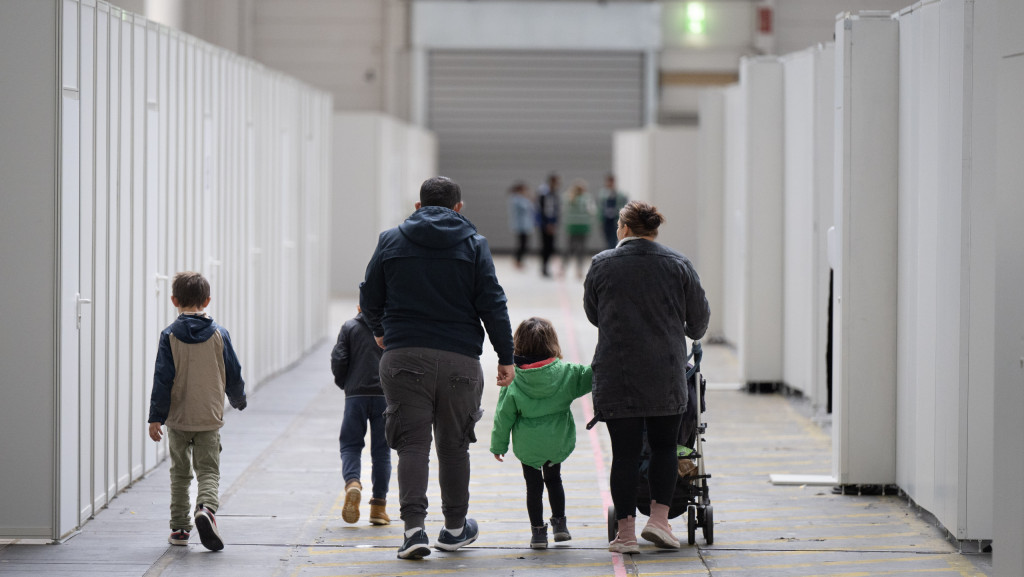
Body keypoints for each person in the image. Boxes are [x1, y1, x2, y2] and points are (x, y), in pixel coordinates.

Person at [360, 175, 516, 560]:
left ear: (418, 206)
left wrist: (380, 331)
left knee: (411, 445)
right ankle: (455, 530)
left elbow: (369, 295)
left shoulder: (390, 240)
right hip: (460, 360)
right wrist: (506, 356)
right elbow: (493, 303)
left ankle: (414, 532)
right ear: (458, 207)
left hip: (403, 356)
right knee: (454, 447)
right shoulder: (475, 244)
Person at [583, 201, 710, 553]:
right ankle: (659, 521)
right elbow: (698, 323)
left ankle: (625, 534)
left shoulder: (602, 264)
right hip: (665, 372)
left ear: (624, 228)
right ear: (653, 230)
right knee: (664, 447)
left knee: (624, 454)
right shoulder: (679, 264)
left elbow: (594, 314)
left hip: (617, 373)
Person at [148, 271, 247, 552]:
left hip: (178, 419)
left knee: (180, 474)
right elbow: (233, 371)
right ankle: (205, 509)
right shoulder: (219, 334)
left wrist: (156, 417)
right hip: (208, 416)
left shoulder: (169, 336)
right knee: (208, 471)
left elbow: (162, 378)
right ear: (207, 300)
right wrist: (238, 399)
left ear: (174, 300)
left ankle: (180, 529)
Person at [490, 317, 593, 550]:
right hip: (556, 440)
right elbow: (591, 375)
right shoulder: (567, 372)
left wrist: (498, 446)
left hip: (528, 445)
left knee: (533, 487)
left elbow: (503, 416)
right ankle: (560, 525)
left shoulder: (514, 379)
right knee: (554, 480)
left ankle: (538, 533)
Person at [331, 307, 391, 526]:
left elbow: (338, 359)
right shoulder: (391, 329)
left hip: (355, 396)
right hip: (384, 396)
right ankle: (378, 508)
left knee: (350, 445)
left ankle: (353, 483)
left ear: (360, 307)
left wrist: (346, 384)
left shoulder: (349, 328)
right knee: (381, 452)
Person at [562, 179, 596, 279]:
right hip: (583, 226)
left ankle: (563, 268)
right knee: (581, 249)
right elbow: (593, 211)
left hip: (572, 226)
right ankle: (579, 270)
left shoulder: (568, 197)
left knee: (569, 248)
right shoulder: (587, 198)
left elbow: (564, 211)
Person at [536, 173, 561, 277]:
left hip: (552, 224)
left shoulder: (554, 194)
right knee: (545, 246)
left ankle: (547, 266)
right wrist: (546, 224)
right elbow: (541, 210)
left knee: (550, 246)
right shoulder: (543, 193)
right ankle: (544, 267)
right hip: (545, 224)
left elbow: (556, 210)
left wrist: (555, 223)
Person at [596, 174, 628, 250]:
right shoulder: (602, 194)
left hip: (615, 220)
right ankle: (609, 251)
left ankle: (612, 251)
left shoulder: (619, 194)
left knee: (613, 238)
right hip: (606, 220)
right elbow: (600, 206)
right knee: (606, 237)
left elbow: (624, 202)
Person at [507, 181, 534, 269]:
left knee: (524, 244)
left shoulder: (521, 199)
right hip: (520, 225)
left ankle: (519, 260)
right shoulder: (516, 199)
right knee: (522, 244)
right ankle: (518, 260)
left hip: (525, 225)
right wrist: (528, 198)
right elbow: (526, 207)